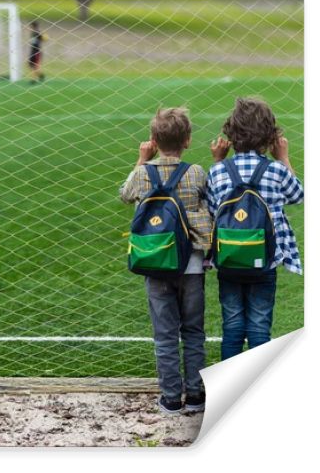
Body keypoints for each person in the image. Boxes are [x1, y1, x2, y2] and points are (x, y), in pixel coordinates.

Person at [120, 108, 212, 415]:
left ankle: (171, 397)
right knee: (194, 332)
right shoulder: (196, 172)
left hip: (156, 263)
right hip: (192, 266)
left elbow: (125, 194)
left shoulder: (142, 174)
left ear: (153, 141)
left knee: (165, 335)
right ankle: (197, 395)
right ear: (187, 140)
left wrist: (142, 160)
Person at [206, 97, 304, 361]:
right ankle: (259, 392)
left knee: (233, 326)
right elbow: (298, 195)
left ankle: (229, 391)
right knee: (260, 327)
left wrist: (218, 160)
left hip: (228, 260)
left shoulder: (217, 172)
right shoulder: (275, 171)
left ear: (231, 134)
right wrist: (283, 158)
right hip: (265, 260)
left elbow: (212, 209)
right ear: (270, 136)